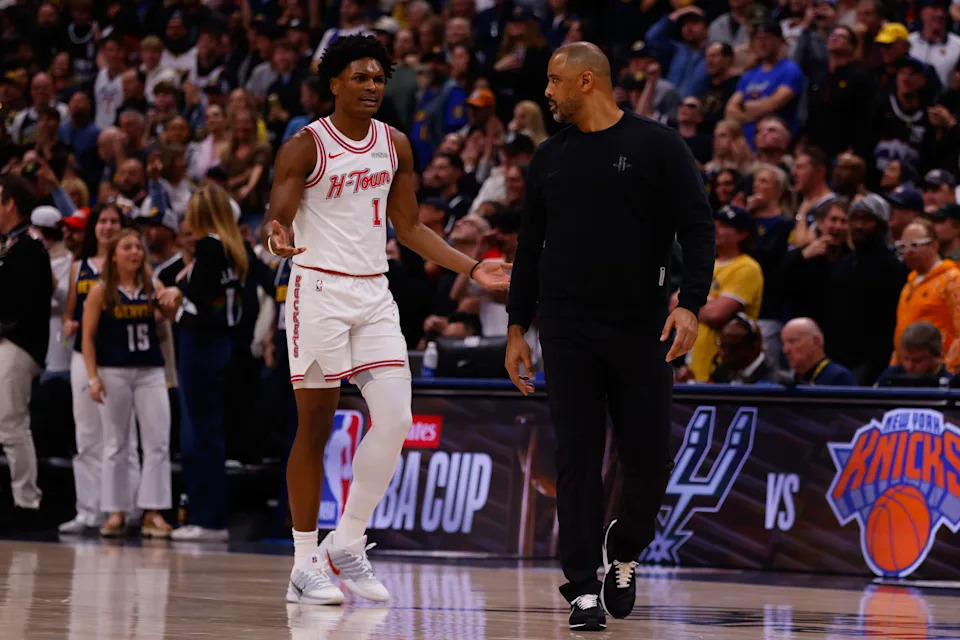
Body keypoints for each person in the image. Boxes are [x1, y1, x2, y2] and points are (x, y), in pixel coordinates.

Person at [264, 36, 510, 606]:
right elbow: (277, 216)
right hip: (318, 289)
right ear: (334, 84)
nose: (373, 86)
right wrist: (277, 236)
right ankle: (304, 561)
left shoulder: (395, 144)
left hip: (374, 292)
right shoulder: (304, 147)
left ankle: (346, 541)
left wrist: (474, 268)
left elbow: (411, 228)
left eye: (379, 78)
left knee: (397, 418)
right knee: (316, 429)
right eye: (361, 78)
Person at [505, 42, 715, 630]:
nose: (546, 92)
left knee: (648, 455)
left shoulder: (657, 145)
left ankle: (625, 549)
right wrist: (517, 327)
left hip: (641, 324)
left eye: (553, 80)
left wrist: (691, 305)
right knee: (576, 454)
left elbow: (699, 228)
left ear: (587, 81)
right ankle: (580, 585)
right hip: (567, 325)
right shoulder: (547, 158)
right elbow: (527, 248)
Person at [81, 229, 180, 538]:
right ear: (114, 255)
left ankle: (153, 512)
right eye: (127, 247)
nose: (135, 252)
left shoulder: (152, 285)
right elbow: (87, 337)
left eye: (138, 247)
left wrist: (173, 295)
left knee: (157, 442)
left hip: (150, 371)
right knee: (116, 444)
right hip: (114, 372)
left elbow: (172, 314)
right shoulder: (101, 290)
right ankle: (115, 512)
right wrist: (93, 377)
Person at [170, 185, 247, 542]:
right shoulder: (231, 249)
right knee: (206, 431)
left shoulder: (209, 247)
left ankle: (207, 519)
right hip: (219, 346)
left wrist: (178, 287)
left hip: (200, 345)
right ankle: (208, 516)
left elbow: (197, 294)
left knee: (199, 434)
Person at [59, 202, 134, 535]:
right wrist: (67, 324)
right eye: (102, 221)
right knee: (86, 436)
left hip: (119, 360)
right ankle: (87, 510)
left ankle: (125, 508)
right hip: (82, 357)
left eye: (113, 221)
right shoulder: (79, 266)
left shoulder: (131, 265)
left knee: (121, 438)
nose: (106, 226)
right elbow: (70, 311)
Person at [0, 175, 51, 529]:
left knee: (11, 422)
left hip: (17, 344)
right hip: (6, 342)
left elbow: (18, 304)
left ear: (10, 203)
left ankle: (27, 503)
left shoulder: (29, 245)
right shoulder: (10, 243)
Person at [689, 206, 764, 382]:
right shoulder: (705, 265)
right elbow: (672, 303)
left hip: (726, 367)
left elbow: (717, 315)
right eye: (716, 223)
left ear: (742, 234)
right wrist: (708, 302)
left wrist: (691, 303)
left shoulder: (747, 267)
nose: (715, 228)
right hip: (694, 363)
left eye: (724, 225)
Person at [891, 220, 960, 373]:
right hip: (908, 371)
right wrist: (895, 368)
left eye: (915, 245)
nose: (908, 251)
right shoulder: (909, 284)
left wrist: (948, 371)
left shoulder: (952, 279)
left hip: (937, 372)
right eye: (902, 246)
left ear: (934, 245)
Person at [781, 317, 857, 385]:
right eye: (783, 343)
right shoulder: (787, 381)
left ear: (816, 341)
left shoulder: (839, 377)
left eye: (792, 341)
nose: (785, 350)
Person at [709, 313, 781, 384]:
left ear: (754, 346)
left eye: (732, 347)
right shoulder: (722, 372)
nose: (724, 353)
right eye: (722, 346)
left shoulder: (776, 380)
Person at [877, 321, 953, 386]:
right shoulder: (889, 379)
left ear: (937, 356)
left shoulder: (949, 385)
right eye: (906, 358)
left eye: (918, 361)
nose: (910, 366)